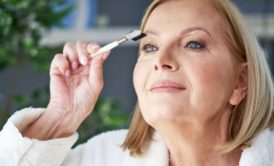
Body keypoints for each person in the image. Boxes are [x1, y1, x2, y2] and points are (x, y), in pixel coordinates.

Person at [0, 0, 273, 165]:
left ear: (241, 82)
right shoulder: (103, 159)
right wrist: (60, 117)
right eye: (150, 47)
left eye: (193, 44)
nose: (161, 60)